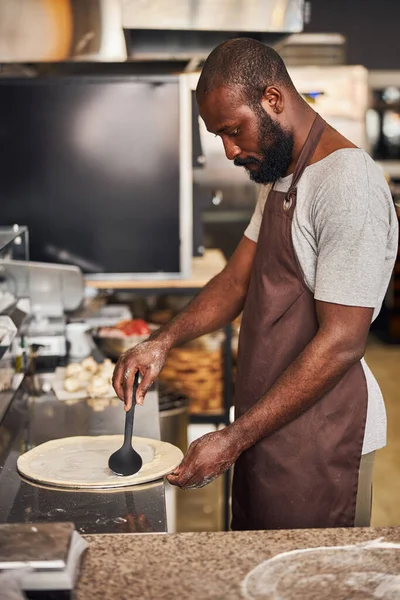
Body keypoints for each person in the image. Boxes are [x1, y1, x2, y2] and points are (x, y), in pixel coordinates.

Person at [113, 39, 398, 530]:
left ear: (272, 99)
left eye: (232, 130)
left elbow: (341, 343)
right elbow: (236, 280)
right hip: (268, 419)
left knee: (305, 578)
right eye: (217, 135)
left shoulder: (347, 183)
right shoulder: (282, 175)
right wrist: (160, 342)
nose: (228, 150)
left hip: (323, 436)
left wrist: (234, 437)